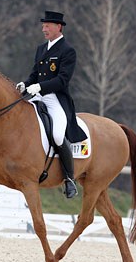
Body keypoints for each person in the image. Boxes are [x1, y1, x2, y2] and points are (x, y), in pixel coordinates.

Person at [17, 10, 87, 198]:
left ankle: (69, 179)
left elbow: (63, 80)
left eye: (47, 25)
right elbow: (34, 74)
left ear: (58, 27)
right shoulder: (41, 48)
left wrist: (39, 86)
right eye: (43, 25)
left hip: (56, 98)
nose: (43, 28)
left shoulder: (67, 50)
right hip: (37, 95)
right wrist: (26, 84)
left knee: (57, 135)